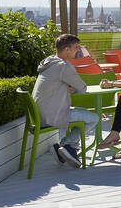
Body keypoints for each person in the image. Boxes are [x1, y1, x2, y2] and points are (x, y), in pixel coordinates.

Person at [31, 33, 99, 169]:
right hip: (52, 115)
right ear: (67, 49)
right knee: (93, 118)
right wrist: (74, 88)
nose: (78, 50)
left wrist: (66, 88)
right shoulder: (63, 66)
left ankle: (64, 149)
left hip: (39, 115)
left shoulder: (50, 62)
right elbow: (82, 88)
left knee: (83, 113)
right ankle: (68, 146)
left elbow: (55, 84)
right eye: (76, 47)